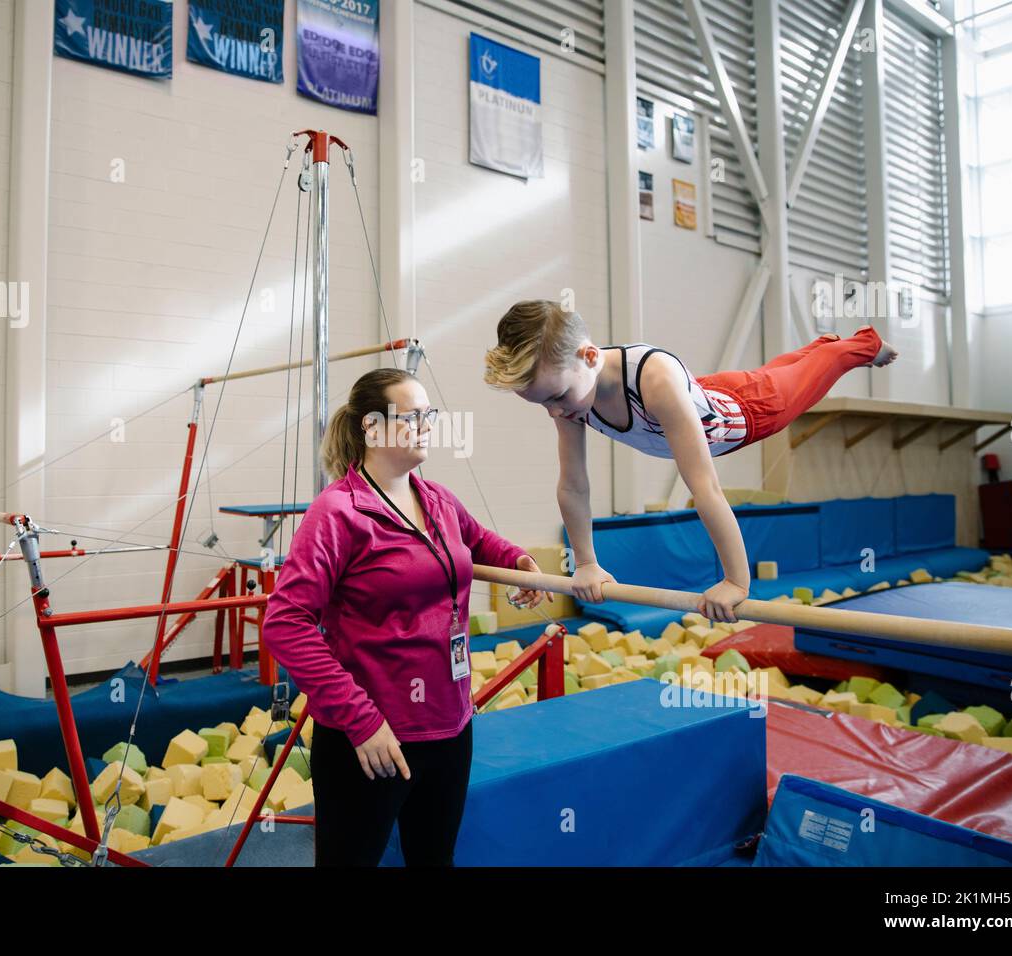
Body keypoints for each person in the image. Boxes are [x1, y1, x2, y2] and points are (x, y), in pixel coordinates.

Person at [261, 366, 550, 866]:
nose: (427, 425)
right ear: (371, 428)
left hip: (450, 723)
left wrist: (519, 562)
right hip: (374, 737)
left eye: (428, 415)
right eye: (411, 416)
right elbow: (285, 623)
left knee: (433, 859)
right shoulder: (337, 513)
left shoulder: (435, 497)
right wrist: (361, 719)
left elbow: (478, 541)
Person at [482, 300, 898, 623]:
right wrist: (587, 564)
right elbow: (574, 485)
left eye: (555, 398)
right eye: (542, 403)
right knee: (781, 370)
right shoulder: (568, 393)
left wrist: (737, 580)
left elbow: (705, 488)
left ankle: (862, 344)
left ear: (589, 357)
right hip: (704, 394)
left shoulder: (653, 379)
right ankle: (820, 347)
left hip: (750, 411)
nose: (554, 412)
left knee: (817, 373)